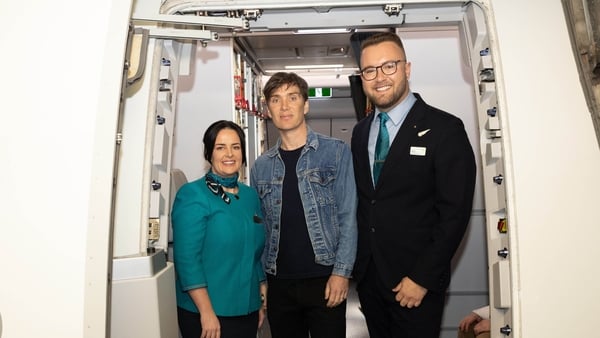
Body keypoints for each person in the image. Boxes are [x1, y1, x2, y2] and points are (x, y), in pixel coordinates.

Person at [351, 31, 477, 338]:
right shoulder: (360, 133)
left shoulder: (445, 130)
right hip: (370, 281)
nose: (379, 77)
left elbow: (454, 214)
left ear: (407, 69)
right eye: (369, 70)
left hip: (415, 284)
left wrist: (422, 278)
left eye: (389, 66)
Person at [250, 72, 358, 338]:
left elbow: (349, 215)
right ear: (268, 109)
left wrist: (342, 273)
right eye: (276, 99)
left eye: (292, 97)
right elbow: (260, 229)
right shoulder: (261, 166)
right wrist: (262, 281)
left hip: (325, 279)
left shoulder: (336, 152)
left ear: (305, 105)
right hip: (279, 283)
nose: (284, 106)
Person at [171, 120, 267, 338]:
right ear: (209, 153)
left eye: (235, 147)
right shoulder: (192, 195)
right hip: (207, 312)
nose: (229, 154)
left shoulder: (249, 195)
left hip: (247, 308)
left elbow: (254, 251)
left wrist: (260, 293)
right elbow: (187, 260)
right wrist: (206, 312)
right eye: (220, 147)